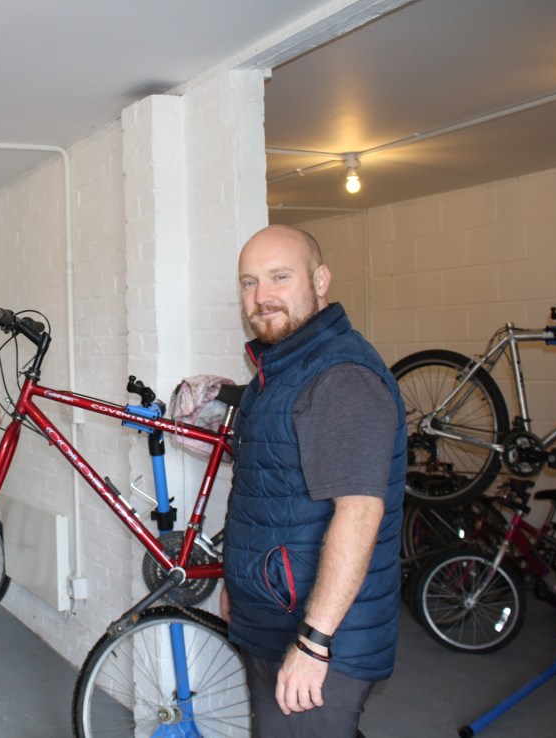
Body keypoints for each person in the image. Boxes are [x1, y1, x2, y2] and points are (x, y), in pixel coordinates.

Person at [221, 224, 406, 738]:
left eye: (280, 277)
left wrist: (313, 641)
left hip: (321, 634)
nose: (262, 297)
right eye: (249, 282)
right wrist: (240, 583)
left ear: (319, 280)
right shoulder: (279, 370)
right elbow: (267, 494)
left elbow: (360, 512)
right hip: (275, 614)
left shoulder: (340, 377)